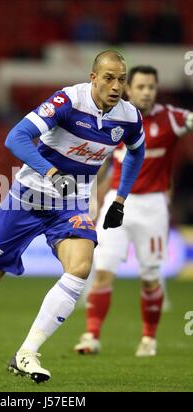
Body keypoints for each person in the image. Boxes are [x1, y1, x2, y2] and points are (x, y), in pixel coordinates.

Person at [0, 50, 145, 383]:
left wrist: (120, 197)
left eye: (122, 79)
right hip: (28, 196)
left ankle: (27, 353)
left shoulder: (129, 117)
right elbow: (16, 137)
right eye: (108, 78)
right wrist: (50, 171)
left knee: (80, 266)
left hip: (71, 203)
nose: (115, 85)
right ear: (93, 77)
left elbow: (138, 152)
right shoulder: (67, 101)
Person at [74, 65, 193, 357]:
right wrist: (92, 199)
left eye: (151, 87)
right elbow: (101, 161)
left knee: (151, 277)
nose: (146, 92)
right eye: (140, 87)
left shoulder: (172, 118)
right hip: (118, 202)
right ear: (128, 89)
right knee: (101, 272)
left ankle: (149, 338)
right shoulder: (114, 116)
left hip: (152, 207)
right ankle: (91, 335)